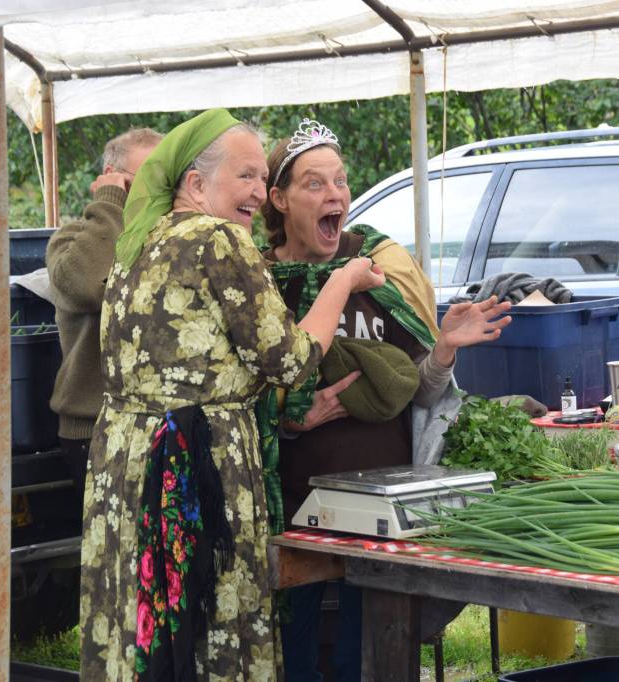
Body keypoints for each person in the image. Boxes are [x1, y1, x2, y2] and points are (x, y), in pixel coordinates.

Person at [78, 109, 383, 680]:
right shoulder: (217, 239)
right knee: (209, 620)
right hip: (195, 463)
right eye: (245, 176)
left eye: (262, 180)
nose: (260, 194)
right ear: (196, 183)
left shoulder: (136, 243)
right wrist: (343, 279)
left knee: (138, 617)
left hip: (123, 462)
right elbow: (290, 360)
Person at [260, 118, 512, 682]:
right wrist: (295, 423)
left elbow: (419, 389)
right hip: (294, 500)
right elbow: (248, 396)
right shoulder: (259, 281)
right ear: (279, 198)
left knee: (368, 643)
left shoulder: (377, 266)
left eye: (341, 181)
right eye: (314, 183)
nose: (335, 195)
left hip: (382, 506)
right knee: (291, 643)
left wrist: (444, 348)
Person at [46, 127, 162, 500]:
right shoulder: (71, 240)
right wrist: (111, 203)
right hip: (92, 427)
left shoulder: (164, 239)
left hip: (153, 422)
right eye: (141, 181)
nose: (152, 192)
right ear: (110, 180)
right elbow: (92, 285)